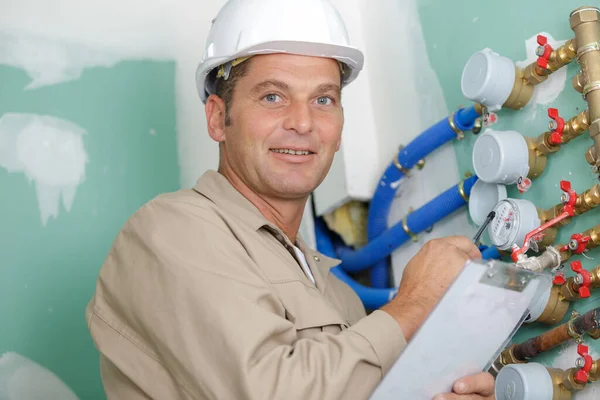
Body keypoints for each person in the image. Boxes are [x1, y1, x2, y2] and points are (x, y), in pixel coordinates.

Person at [85, 0, 495, 399]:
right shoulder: (171, 232)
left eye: (323, 99)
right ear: (216, 118)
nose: (302, 122)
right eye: (272, 97)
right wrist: (415, 302)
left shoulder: (339, 297)